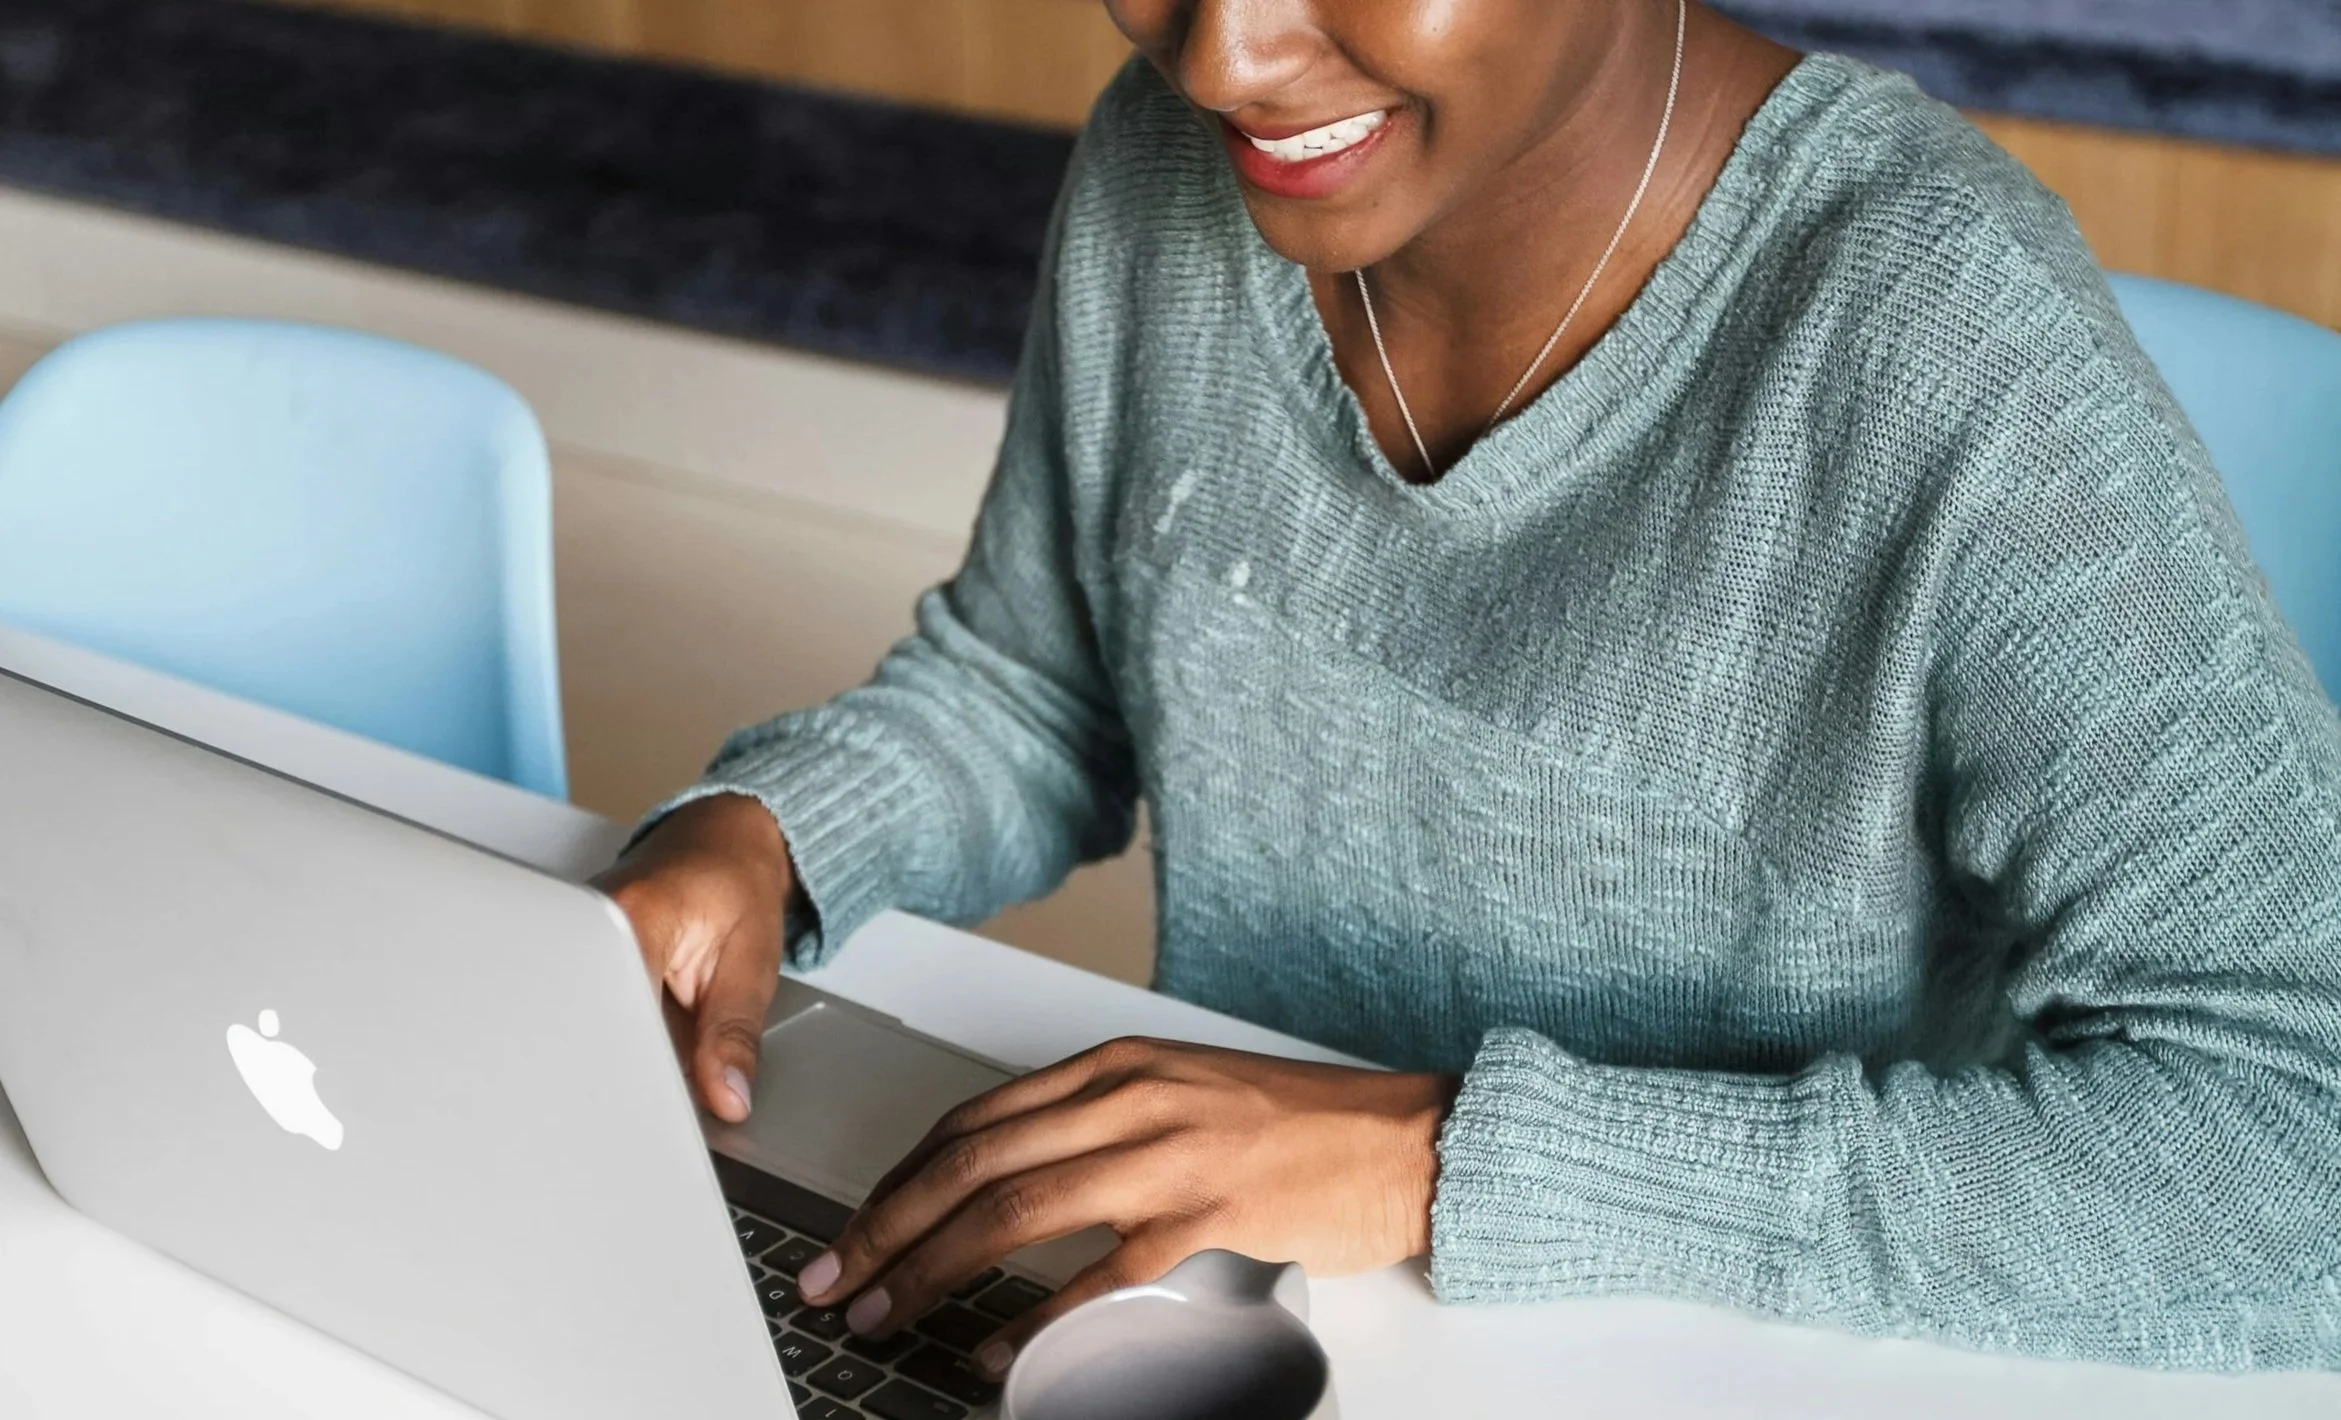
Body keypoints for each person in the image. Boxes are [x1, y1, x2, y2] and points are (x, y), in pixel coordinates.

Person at [595, 0, 2341, 1381]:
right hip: (1242, 1326)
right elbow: (1040, 685)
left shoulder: (1940, 336)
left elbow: (2301, 1139)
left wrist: (1442, 1160)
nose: (1226, 55)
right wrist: (771, 836)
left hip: (1737, 1354)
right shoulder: (1170, 161)